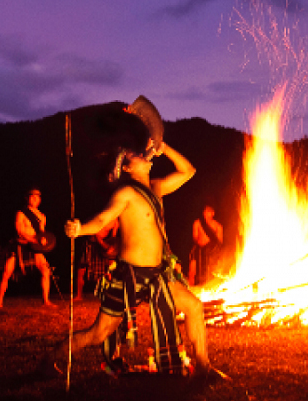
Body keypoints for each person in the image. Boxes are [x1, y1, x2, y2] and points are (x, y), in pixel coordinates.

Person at [41, 138, 211, 378]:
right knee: (98, 333)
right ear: (127, 168)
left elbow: (188, 171)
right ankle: (52, 357)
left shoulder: (156, 187)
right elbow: (102, 219)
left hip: (157, 274)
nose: (144, 155)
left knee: (194, 307)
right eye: (136, 156)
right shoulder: (126, 192)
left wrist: (165, 148)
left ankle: (204, 368)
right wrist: (80, 229)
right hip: (129, 276)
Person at [0, 187, 55, 309]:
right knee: (6, 273)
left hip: (34, 247)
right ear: (27, 198)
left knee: (45, 271)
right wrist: (34, 239)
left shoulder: (42, 216)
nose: (35, 199)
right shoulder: (21, 213)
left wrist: (44, 241)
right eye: (32, 196)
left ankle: (46, 301)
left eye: (37, 197)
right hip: (19, 246)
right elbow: (19, 231)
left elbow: (42, 233)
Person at [74, 219, 118, 301]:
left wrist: (110, 247)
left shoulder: (115, 221)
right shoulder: (104, 215)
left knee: (109, 271)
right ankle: (79, 295)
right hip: (91, 244)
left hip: (103, 245)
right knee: (81, 270)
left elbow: (113, 236)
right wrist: (103, 244)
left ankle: (110, 294)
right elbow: (95, 232)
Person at [189, 205, 224, 286]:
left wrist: (212, 249)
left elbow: (220, 242)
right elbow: (195, 237)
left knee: (211, 271)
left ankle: (210, 286)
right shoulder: (198, 223)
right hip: (199, 250)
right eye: (204, 212)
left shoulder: (218, 226)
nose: (205, 213)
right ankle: (191, 286)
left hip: (211, 252)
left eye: (208, 212)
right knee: (193, 269)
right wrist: (200, 245)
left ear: (213, 213)